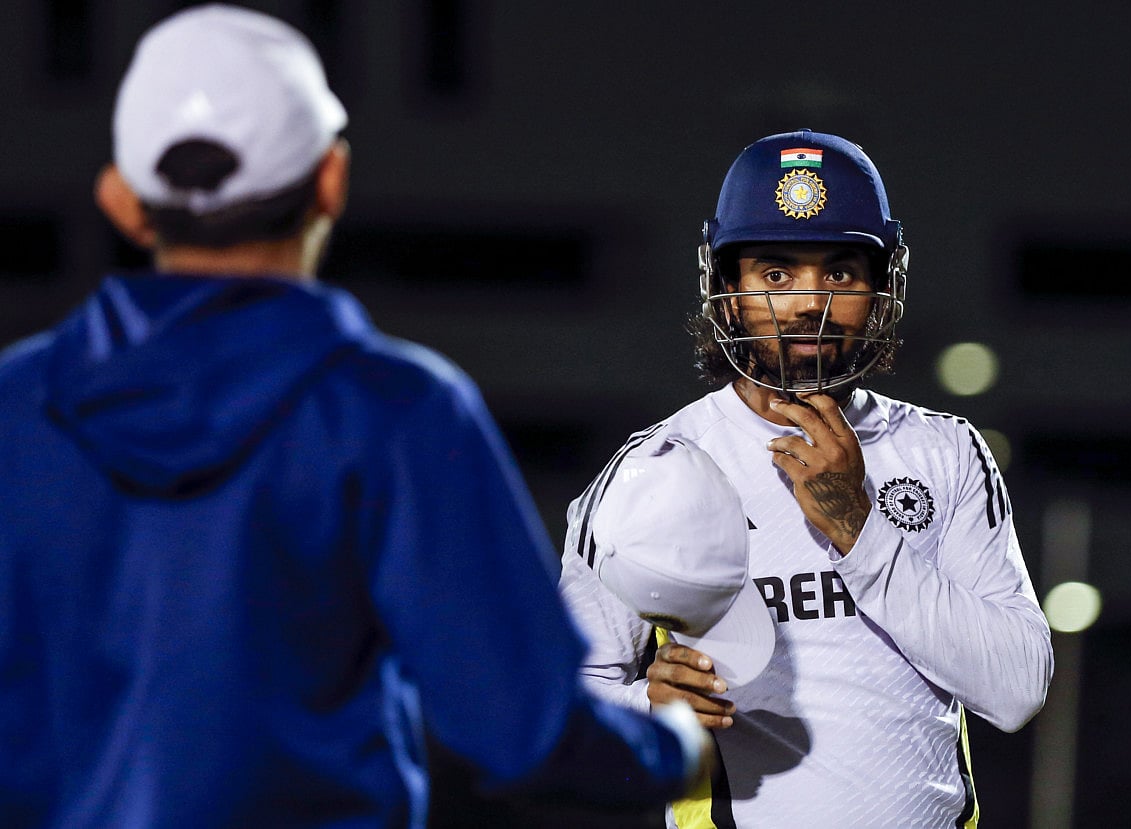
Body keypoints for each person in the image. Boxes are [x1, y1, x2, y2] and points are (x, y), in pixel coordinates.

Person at [0, 5, 709, 827]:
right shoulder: (392, 412)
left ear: (122, 202)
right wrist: (680, 741)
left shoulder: (16, 404)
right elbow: (525, 733)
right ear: (331, 180)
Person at [559, 129, 1054, 828]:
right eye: (775, 273)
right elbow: (560, 700)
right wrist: (646, 706)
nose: (805, 305)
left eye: (840, 274)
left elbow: (1015, 689)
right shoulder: (652, 469)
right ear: (725, 287)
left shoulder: (944, 451)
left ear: (882, 286)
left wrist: (859, 528)